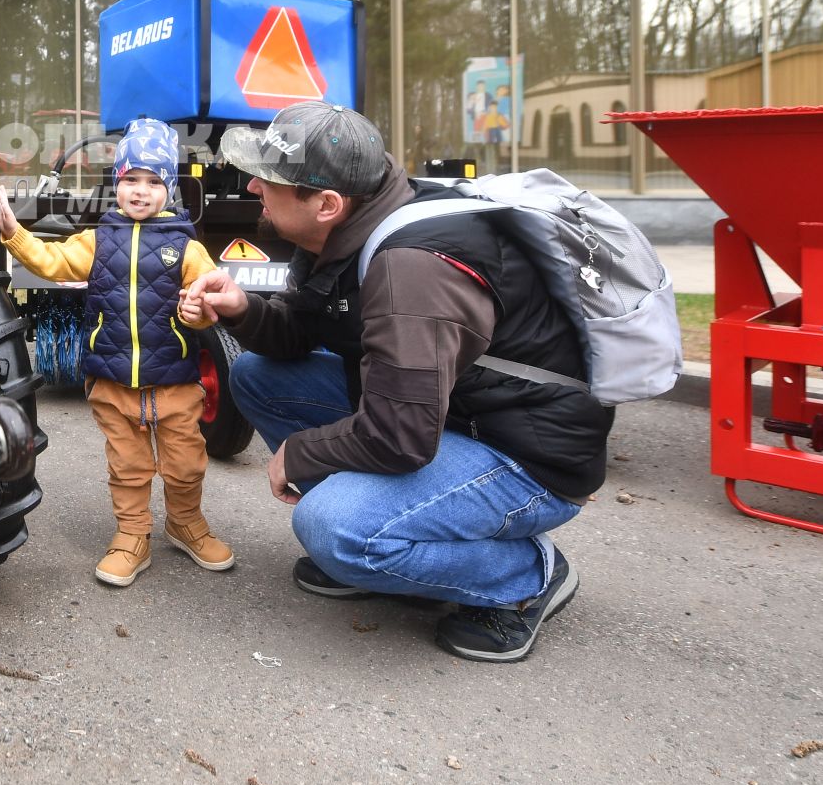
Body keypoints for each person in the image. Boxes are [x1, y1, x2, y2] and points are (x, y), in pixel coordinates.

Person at [178, 101, 608, 662]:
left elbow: (401, 435)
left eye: (270, 179)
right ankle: (394, 545)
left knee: (332, 527)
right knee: (258, 376)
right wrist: (242, 310)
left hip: (526, 455)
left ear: (327, 204)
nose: (255, 188)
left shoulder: (411, 270)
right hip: (449, 414)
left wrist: (301, 454)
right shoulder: (350, 229)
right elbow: (305, 333)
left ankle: (525, 578)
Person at [0, 117, 235, 587]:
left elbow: (208, 306)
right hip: (112, 382)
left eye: (152, 181)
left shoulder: (186, 247)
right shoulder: (98, 239)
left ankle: (186, 523)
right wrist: (14, 233)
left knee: (186, 464)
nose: (140, 191)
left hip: (175, 383)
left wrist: (198, 312)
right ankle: (131, 535)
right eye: (130, 180)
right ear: (116, 183)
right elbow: (54, 262)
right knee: (128, 467)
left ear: (169, 188)